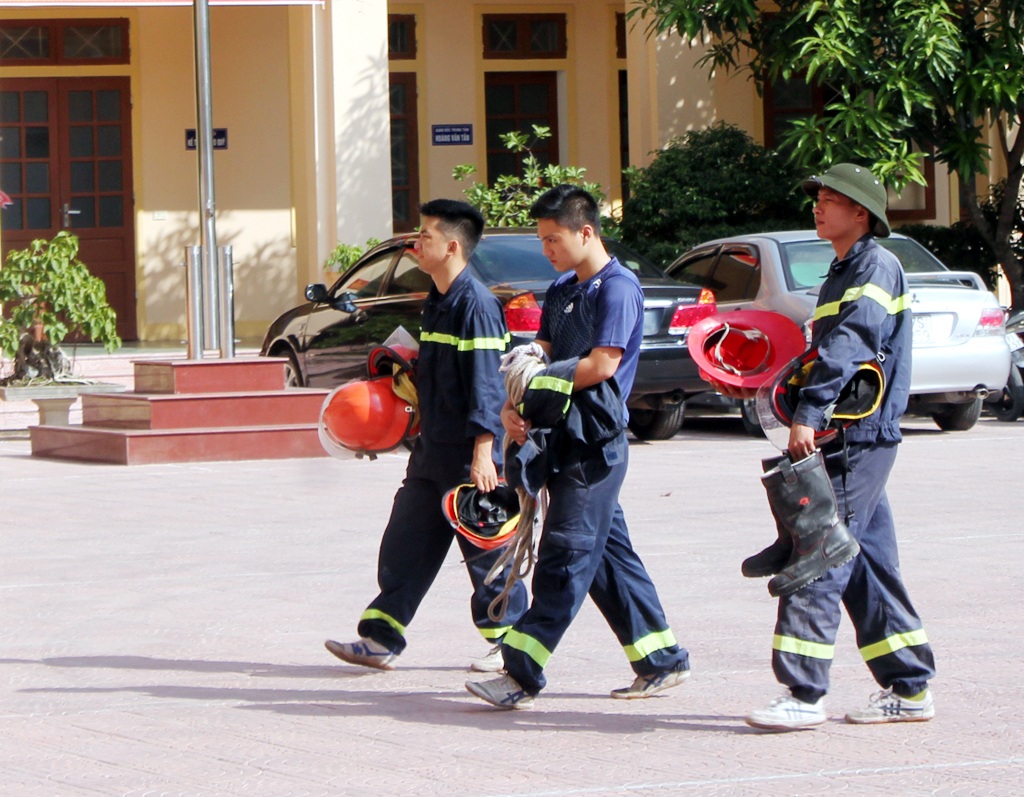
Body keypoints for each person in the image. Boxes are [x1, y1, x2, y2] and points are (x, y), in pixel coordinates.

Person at [727, 163, 936, 731]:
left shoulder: (873, 267)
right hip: (854, 436)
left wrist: (812, 413)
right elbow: (823, 353)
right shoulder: (842, 271)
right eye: (817, 197)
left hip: (853, 434)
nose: (818, 206)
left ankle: (802, 691)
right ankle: (910, 685)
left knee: (815, 552)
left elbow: (850, 345)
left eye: (830, 199)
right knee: (864, 561)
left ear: (860, 213)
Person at [465, 184, 690, 709]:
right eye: (542, 240)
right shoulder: (565, 289)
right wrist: (512, 403)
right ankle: (661, 659)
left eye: (553, 239)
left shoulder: (618, 289)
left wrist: (539, 383)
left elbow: (602, 365)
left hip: (595, 446)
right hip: (561, 440)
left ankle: (520, 673)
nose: (547, 250)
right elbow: (539, 351)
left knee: (565, 558)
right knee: (609, 559)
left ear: (586, 232)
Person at [324, 199, 528, 673]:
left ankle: (513, 644)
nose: (416, 245)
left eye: (426, 237)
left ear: (452, 246)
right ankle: (381, 639)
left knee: (485, 550)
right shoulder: (437, 301)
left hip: (468, 455)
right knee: (406, 543)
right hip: (431, 450)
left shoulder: (475, 306)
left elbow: (486, 384)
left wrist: (484, 454)